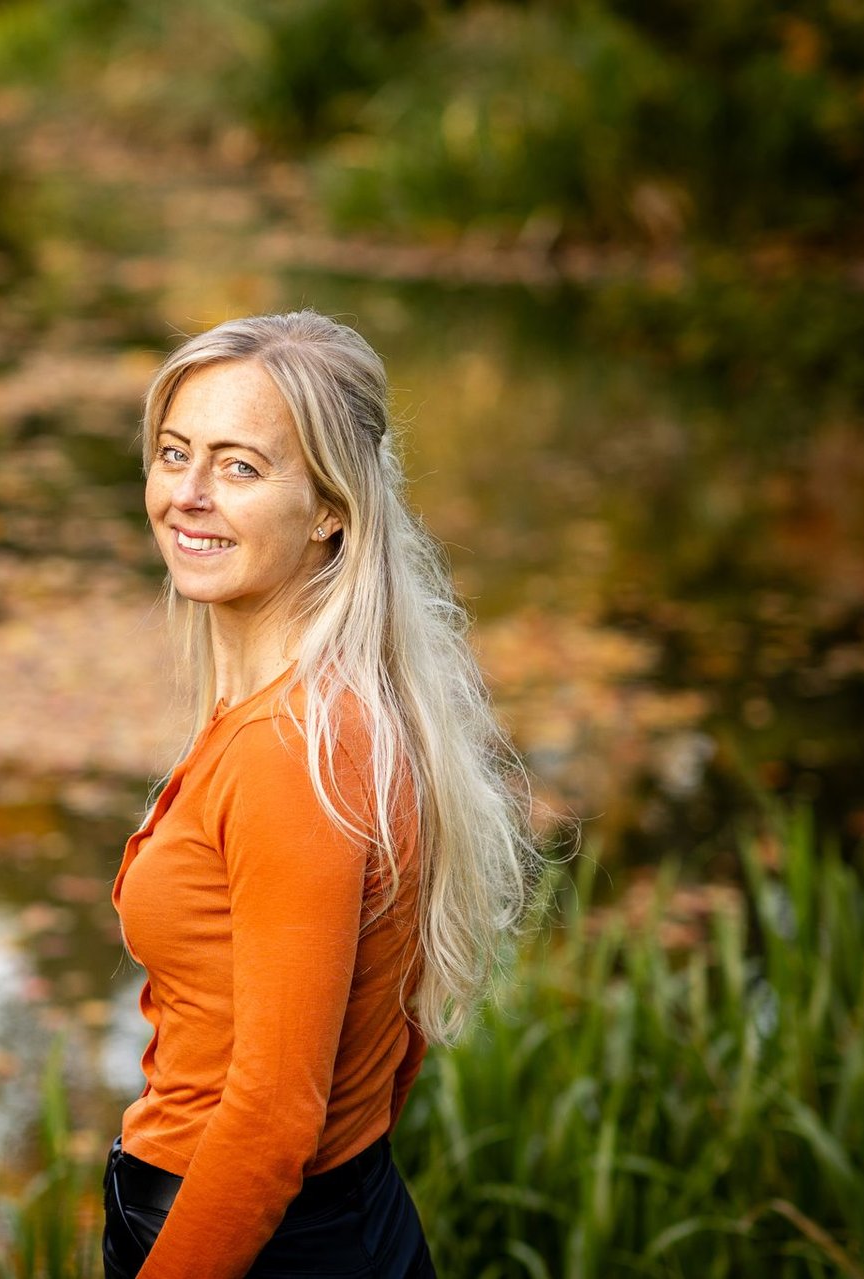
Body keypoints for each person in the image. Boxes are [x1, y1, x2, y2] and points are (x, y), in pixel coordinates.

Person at [105, 311, 541, 1278]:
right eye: (174, 454)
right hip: (338, 1215)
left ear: (330, 508)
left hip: (250, 1240)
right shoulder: (350, 711)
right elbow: (396, 1030)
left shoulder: (287, 752)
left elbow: (266, 1124)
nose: (189, 494)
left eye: (239, 467)